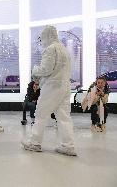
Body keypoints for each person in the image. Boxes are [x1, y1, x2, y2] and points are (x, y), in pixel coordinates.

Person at [22, 26, 77, 156]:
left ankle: (35, 142)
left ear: (47, 35)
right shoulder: (64, 49)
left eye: (42, 37)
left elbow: (46, 69)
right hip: (65, 86)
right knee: (64, 117)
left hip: (53, 86)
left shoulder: (51, 49)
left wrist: (34, 70)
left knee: (41, 113)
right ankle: (68, 145)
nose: (42, 41)